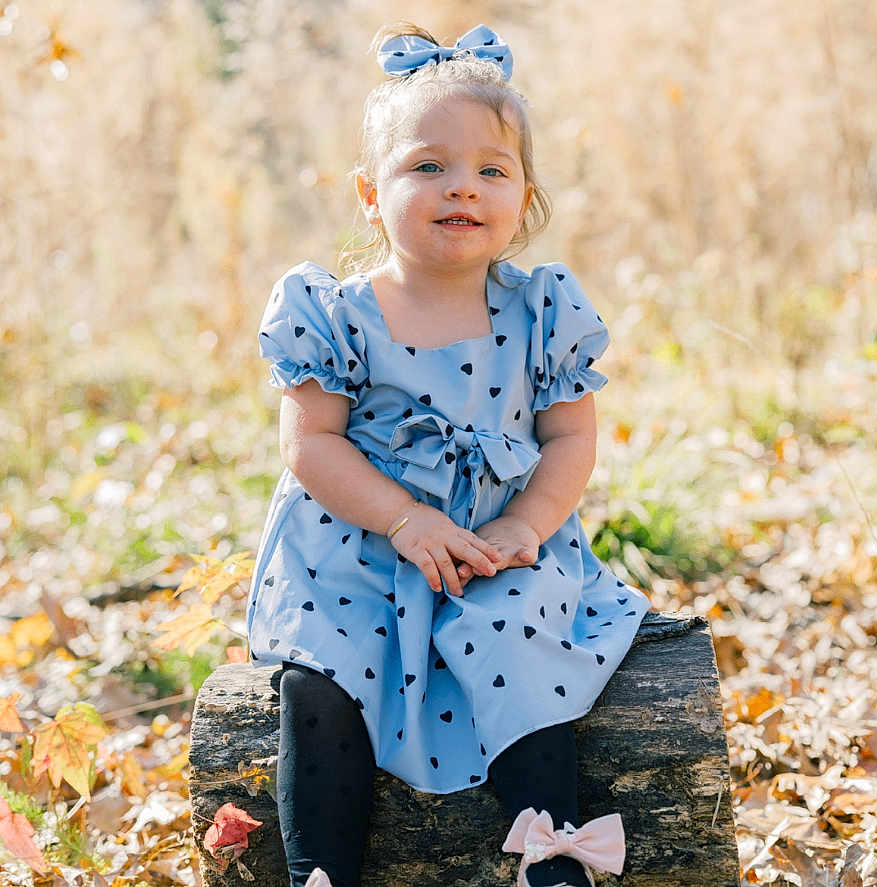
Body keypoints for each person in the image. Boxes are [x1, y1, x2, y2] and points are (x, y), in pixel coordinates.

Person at [246, 22, 650, 887]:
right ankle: (318, 872)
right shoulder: (338, 312)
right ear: (368, 191)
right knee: (322, 677)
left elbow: (570, 438)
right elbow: (310, 442)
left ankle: (552, 854)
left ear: (523, 194)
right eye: (427, 166)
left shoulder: (541, 310)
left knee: (519, 641)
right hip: (357, 545)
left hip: (493, 544)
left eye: (490, 170)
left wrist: (527, 522)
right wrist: (401, 517)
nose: (461, 187)